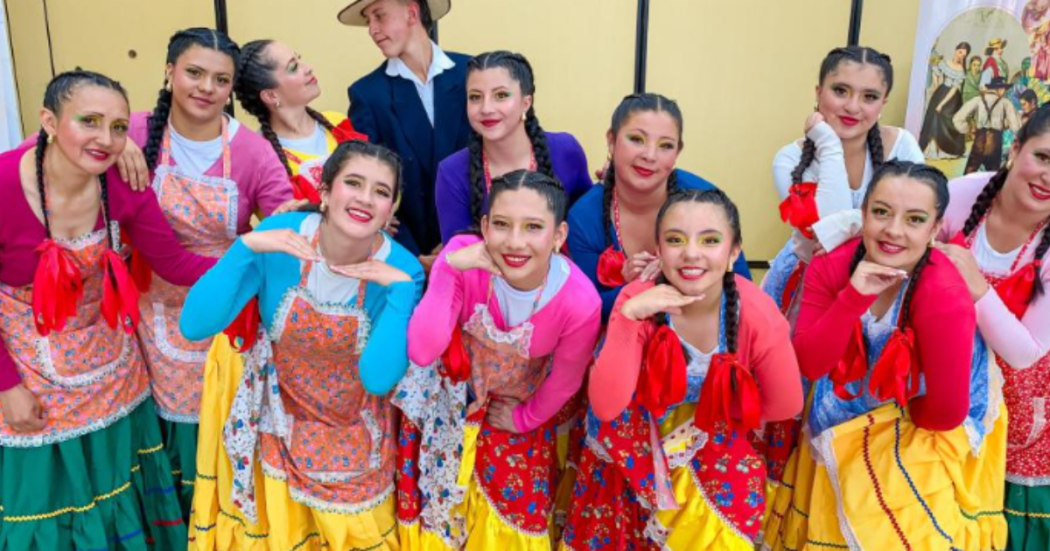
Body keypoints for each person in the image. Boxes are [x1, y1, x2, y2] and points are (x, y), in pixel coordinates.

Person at [0, 70, 217, 549]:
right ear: (48, 122)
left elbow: (174, 264)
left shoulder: (121, 183)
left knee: (125, 492)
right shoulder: (1, 185)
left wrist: (255, 256)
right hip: (24, 370)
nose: (106, 139)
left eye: (119, 127)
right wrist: (6, 388)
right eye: (90, 121)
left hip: (112, 371)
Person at [181, 140, 424, 551]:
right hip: (276, 421)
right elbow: (196, 324)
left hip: (356, 436)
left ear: (391, 210)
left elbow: (378, 378)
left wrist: (401, 295)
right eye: (353, 183)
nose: (366, 199)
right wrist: (245, 248)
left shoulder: (401, 270)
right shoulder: (278, 241)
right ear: (326, 193)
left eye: (381, 192)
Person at [763, 161, 1007, 550]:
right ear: (863, 214)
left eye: (914, 219)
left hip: (922, 421)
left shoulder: (943, 293)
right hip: (842, 409)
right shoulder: (833, 265)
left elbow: (944, 412)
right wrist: (853, 297)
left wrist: (882, 440)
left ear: (933, 229)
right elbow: (810, 364)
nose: (894, 230)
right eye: (881, 212)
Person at [560, 188, 802, 550]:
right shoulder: (638, 299)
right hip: (633, 445)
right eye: (675, 240)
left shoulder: (755, 311)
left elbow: (786, 403)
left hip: (712, 430)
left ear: (734, 251)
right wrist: (627, 319)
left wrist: (718, 417)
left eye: (710, 240)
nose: (691, 253)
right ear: (659, 250)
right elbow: (607, 406)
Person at [125, 27, 293, 517]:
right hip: (147, 314)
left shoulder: (253, 153)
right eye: (194, 73)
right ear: (169, 72)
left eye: (220, 80)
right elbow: (49, 145)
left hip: (227, 314)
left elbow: (284, 226)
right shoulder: (132, 132)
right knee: (164, 445)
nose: (205, 87)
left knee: (222, 432)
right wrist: (115, 143)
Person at [394, 170, 601, 550]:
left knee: (515, 514)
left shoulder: (578, 300)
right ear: (485, 226)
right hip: (450, 399)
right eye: (502, 225)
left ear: (559, 236)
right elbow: (423, 350)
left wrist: (525, 418)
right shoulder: (464, 259)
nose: (515, 242)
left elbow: (566, 381)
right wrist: (447, 267)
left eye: (533, 227)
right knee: (441, 515)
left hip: (519, 408)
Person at [936, 104, 1050, 550]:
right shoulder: (958, 195)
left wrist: (975, 285)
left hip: (1024, 408)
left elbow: (1026, 352)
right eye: (1043, 158)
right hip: (944, 389)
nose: (1047, 177)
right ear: (1016, 147)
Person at [567, 93, 751, 324]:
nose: (650, 155)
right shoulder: (584, 217)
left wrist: (674, 275)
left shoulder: (707, 202)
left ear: (677, 153)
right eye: (636, 139)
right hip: (617, 338)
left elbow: (742, 287)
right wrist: (640, 287)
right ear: (612, 141)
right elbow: (589, 310)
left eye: (665, 145)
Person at [342, 0, 471, 270]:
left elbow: (494, 160)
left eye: (379, 16)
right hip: (413, 255)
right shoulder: (368, 94)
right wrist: (413, 258)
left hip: (479, 244)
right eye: (369, 21)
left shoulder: (471, 73)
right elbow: (372, 182)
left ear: (412, 12)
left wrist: (464, 238)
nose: (372, 30)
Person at [435, 50, 592, 242]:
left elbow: (588, 225)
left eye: (500, 95)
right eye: (475, 97)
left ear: (526, 102)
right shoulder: (451, 172)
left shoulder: (566, 150)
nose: (486, 108)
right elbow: (457, 256)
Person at [235, 39, 367, 204]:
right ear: (271, 96)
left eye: (299, 59)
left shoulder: (338, 122)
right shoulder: (260, 156)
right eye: (293, 67)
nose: (308, 68)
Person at [955, 76, 1022, 174]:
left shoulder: (977, 100)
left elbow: (957, 118)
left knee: (969, 173)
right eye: (1005, 89)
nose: (1005, 92)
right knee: (993, 177)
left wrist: (967, 129)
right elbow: (1016, 127)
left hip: (979, 140)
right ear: (1000, 89)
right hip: (995, 143)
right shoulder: (1006, 103)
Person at [919, 42, 970, 159]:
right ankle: (930, 147)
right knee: (932, 117)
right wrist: (936, 84)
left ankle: (941, 148)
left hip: (952, 99)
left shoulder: (960, 69)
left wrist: (942, 104)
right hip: (940, 92)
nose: (961, 56)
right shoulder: (945, 62)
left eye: (964, 55)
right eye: (960, 52)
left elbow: (953, 90)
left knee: (942, 117)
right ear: (956, 50)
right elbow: (936, 72)